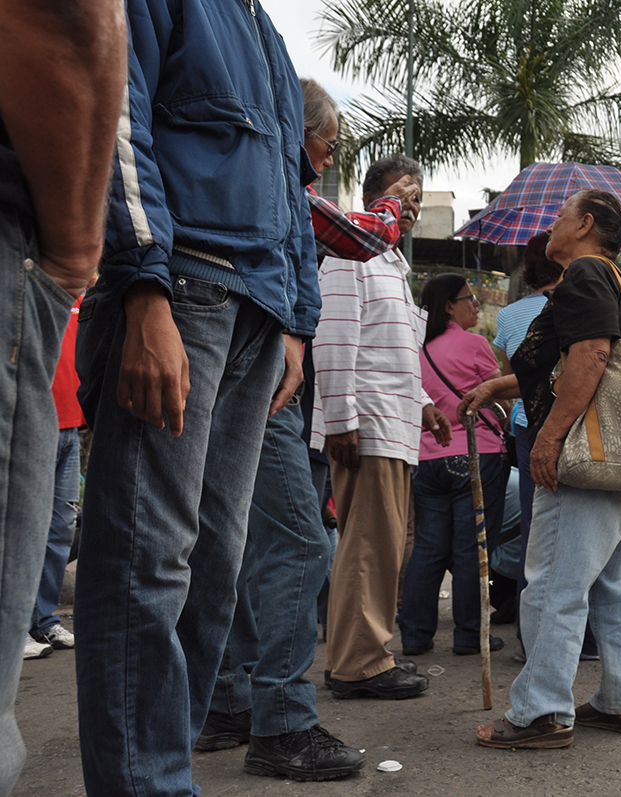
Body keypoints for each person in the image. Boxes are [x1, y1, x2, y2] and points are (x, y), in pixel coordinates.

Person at [73, 1, 318, 792]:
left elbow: (290, 179)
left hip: (256, 308)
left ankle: (161, 769)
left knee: (213, 565)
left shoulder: (265, 32)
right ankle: (146, 782)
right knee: (149, 557)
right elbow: (115, 110)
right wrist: (143, 283)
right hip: (183, 285)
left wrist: (297, 321)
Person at [197, 80, 424, 780]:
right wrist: (343, 418)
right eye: (326, 144)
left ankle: (233, 700)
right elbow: (347, 316)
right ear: (299, 135)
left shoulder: (251, 177)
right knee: (304, 541)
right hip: (282, 389)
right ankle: (285, 715)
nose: (326, 159)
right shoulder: (281, 183)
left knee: (237, 543)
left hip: (266, 370)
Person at [463, 189, 621, 749]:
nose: (552, 225)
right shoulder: (610, 281)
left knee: (554, 583)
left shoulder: (585, 275)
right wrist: (499, 385)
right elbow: (568, 357)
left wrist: (548, 439)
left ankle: (541, 712)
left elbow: (593, 356)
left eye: (560, 216)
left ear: (586, 225)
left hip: (589, 462)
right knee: (618, 584)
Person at [0, 4, 123, 790]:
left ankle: (40, 616)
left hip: (65, 408)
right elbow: (72, 21)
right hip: (43, 365)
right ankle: (40, 617)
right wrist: (75, 246)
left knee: (53, 522)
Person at [312, 154, 451, 699]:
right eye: (402, 194)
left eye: (418, 197)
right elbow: (336, 338)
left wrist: (422, 404)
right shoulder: (352, 254)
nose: (411, 206)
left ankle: (367, 653)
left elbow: (390, 352)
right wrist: (342, 421)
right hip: (366, 426)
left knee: (384, 545)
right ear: (374, 198)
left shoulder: (391, 263)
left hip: (392, 425)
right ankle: (358, 663)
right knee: (369, 546)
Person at [399, 273, 508, 656]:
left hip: (426, 458)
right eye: (470, 298)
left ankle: (414, 634)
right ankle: (468, 634)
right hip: (476, 453)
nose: (476, 304)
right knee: (472, 547)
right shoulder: (476, 345)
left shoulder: (416, 348)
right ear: (449, 305)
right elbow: (503, 398)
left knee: (428, 546)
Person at [492, 233, 564, 655]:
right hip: (570, 420)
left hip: (526, 426)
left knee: (534, 533)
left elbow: (511, 384)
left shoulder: (509, 316)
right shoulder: (580, 305)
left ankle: (527, 637)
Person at [27, 295, 86, 660]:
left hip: (69, 429)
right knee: (22, 529)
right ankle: (12, 627)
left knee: (61, 526)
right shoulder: (33, 287)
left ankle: (43, 619)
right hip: (33, 423)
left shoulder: (81, 298)